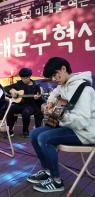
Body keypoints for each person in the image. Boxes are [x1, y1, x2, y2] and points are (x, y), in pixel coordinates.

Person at [27, 57, 95, 193]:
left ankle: (56, 181)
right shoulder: (62, 85)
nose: (53, 79)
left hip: (85, 132)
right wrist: (49, 104)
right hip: (70, 127)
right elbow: (54, 95)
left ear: (63, 69)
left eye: (54, 74)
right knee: (34, 133)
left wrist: (61, 115)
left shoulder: (84, 89)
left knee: (44, 138)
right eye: (51, 77)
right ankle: (46, 171)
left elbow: (82, 121)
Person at [4, 68, 44, 137]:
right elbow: (6, 88)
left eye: (26, 78)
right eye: (22, 78)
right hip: (20, 104)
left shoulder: (36, 86)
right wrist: (12, 91)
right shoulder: (19, 84)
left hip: (31, 106)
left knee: (26, 112)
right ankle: (10, 130)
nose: (24, 80)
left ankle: (25, 131)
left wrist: (37, 98)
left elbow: (40, 99)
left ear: (29, 76)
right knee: (10, 108)